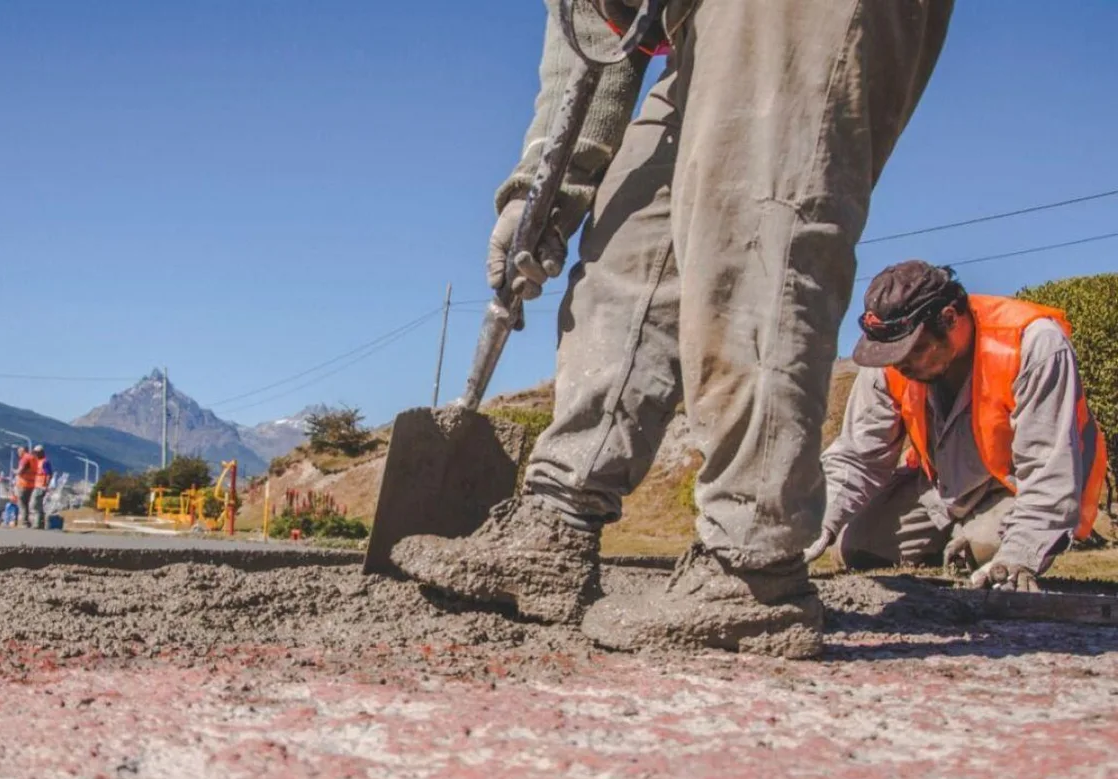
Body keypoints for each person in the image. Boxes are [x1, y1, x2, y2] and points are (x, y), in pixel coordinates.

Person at [389, 0, 954, 659]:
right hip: (695, 21)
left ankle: (754, 569)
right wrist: (545, 185)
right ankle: (555, 524)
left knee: (753, 218)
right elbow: (593, 28)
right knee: (629, 232)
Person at [806, 261, 1108, 592]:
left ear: (950, 318)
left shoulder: (1033, 345)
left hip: (1015, 489)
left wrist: (1019, 557)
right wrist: (810, 523)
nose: (901, 364)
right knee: (855, 545)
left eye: (915, 350)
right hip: (942, 489)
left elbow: (1048, 471)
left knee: (982, 548)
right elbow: (857, 457)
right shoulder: (892, 364)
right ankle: (959, 536)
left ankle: (980, 541)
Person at [15, 446, 37, 530]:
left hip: (23, 484)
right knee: (26, 503)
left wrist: (16, 472)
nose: (18, 454)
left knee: (21, 503)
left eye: (19, 451)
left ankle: (24, 522)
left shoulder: (25, 459)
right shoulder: (33, 458)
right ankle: (27, 521)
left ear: (22, 451)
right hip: (31, 484)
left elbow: (21, 470)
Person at [30, 445, 52, 530]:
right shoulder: (37, 461)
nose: (35, 454)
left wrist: (46, 485)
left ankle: (37, 524)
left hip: (41, 486)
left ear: (41, 453)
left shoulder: (45, 462)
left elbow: (49, 474)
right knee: (38, 505)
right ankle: (40, 524)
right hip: (36, 485)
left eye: (37, 453)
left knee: (34, 505)